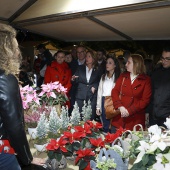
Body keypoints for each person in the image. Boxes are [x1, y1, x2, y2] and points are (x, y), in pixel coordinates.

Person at [0, 24, 45, 170]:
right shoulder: (5, 78)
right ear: (6, 46)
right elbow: (14, 126)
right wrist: (27, 157)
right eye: (14, 42)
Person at [111, 54, 151, 131]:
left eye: (129, 62)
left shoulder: (146, 80)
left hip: (135, 120)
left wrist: (129, 111)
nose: (126, 64)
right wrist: (120, 107)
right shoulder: (123, 76)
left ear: (136, 64)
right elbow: (115, 91)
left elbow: (145, 100)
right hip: (120, 118)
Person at [72, 50, 102, 120]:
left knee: (91, 117)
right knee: (79, 116)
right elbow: (75, 80)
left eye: (89, 56)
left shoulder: (98, 69)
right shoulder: (80, 68)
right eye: (86, 56)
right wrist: (73, 79)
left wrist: (95, 86)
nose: (87, 58)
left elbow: (100, 81)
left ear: (94, 58)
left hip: (92, 96)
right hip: (80, 95)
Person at [96, 54, 121, 132]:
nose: (107, 64)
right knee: (105, 125)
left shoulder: (118, 77)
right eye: (107, 62)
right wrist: (98, 107)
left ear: (115, 65)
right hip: (104, 100)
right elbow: (99, 92)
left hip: (114, 101)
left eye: (110, 63)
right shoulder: (103, 77)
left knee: (114, 124)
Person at [148, 47, 170, 127]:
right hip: (154, 116)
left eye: (167, 59)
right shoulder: (156, 73)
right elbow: (151, 93)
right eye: (163, 58)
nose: (164, 61)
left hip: (167, 118)